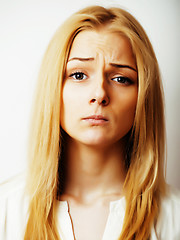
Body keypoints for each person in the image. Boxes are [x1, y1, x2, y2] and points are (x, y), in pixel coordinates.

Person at [0, 5, 180, 240]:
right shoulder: (6, 209)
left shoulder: (173, 218)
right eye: (78, 75)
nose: (99, 93)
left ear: (143, 97)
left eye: (121, 78)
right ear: (53, 88)